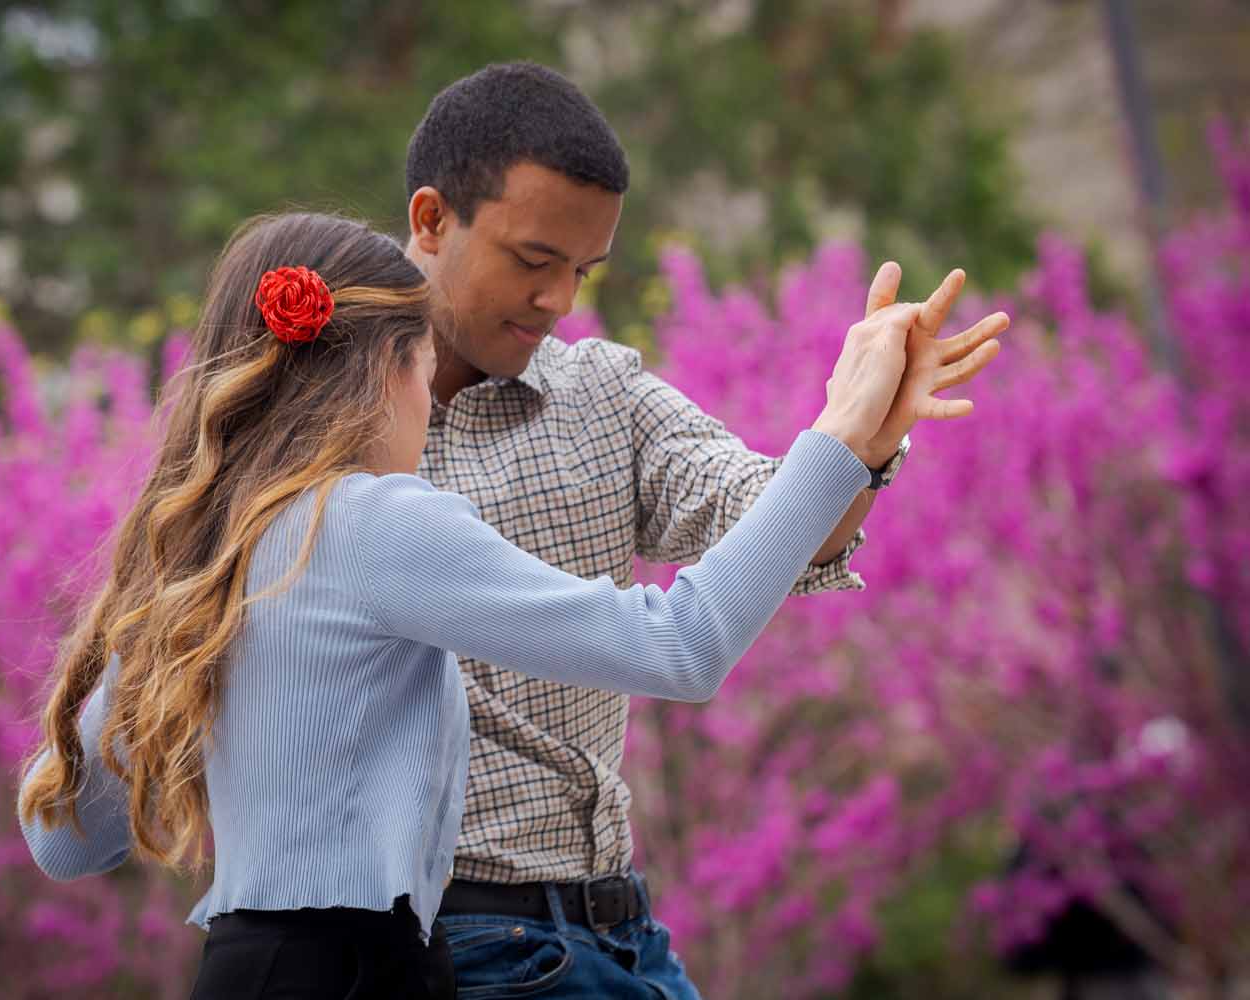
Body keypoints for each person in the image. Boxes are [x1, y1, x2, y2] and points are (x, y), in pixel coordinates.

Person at [16, 210, 1001, 999]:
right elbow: (681, 645)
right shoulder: (369, 522)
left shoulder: (206, 550)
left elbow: (64, 841)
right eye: (423, 372)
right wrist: (841, 433)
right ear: (385, 372)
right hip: (366, 971)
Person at [400, 62, 1010, 997]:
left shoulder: (601, 393)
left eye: (582, 270)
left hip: (626, 931)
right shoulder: (320, 423)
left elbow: (771, 514)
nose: (559, 301)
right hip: (467, 946)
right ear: (432, 220)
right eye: (533, 261)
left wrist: (865, 436)